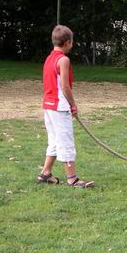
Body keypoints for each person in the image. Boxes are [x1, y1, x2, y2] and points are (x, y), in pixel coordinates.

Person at [36, 25, 94, 187]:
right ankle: (72, 178)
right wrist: (73, 105)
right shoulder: (63, 60)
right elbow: (65, 86)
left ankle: (45, 174)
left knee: (54, 140)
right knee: (66, 141)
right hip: (59, 107)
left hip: (48, 106)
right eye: (72, 42)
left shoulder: (49, 58)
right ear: (68, 42)